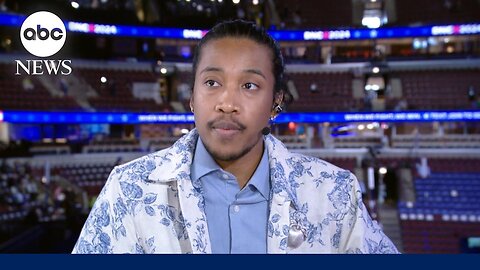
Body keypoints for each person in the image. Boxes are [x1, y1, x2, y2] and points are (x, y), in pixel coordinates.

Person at [72, 20, 398, 254]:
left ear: (276, 102)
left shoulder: (334, 193)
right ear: (192, 97)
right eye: (212, 83)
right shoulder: (127, 191)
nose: (227, 103)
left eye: (249, 86)